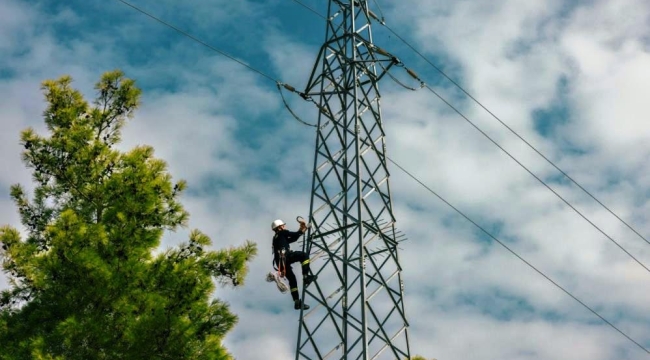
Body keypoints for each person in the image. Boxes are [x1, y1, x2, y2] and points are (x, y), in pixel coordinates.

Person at [272, 218, 317, 310]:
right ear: (280, 227)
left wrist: (303, 229)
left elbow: (294, 238)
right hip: (285, 255)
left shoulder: (276, 237)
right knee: (304, 256)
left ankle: (297, 302)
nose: (285, 226)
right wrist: (305, 228)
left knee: (292, 280)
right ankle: (306, 277)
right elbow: (295, 235)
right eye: (283, 225)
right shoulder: (282, 232)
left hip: (280, 261)